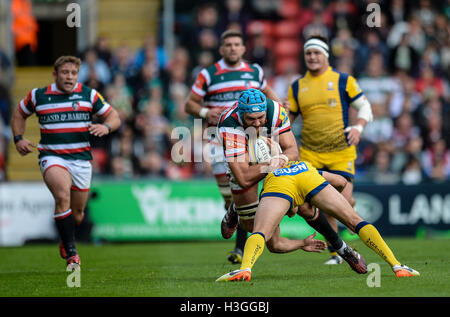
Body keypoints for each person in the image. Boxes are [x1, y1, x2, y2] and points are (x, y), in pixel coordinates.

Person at [216, 160, 420, 282]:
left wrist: (299, 242)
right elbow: (341, 181)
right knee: (355, 220)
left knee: (260, 232)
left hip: (278, 181)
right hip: (306, 173)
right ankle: (397, 266)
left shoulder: (268, 178)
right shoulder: (304, 166)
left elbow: (275, 245)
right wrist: (339, 202)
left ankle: (244, 269)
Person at [11, 56, 121, 270]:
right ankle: (72, 252)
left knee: (78, 214)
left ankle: (65, 237)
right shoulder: (38, 95)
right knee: (62, 195)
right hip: (52, 156)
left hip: (81, 160)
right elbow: (19, 114)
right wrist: (18, 139)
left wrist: (106, 127)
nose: (69, 77)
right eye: (65, 72)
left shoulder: (88, 94)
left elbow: (114, 116)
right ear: (55, 74)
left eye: (73, 73)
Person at [185, 29, 281, 264]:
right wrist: (207, 111)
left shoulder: (255, 71)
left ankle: (239, 249)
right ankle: (232, 214)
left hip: (251, 138)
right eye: (228, 44)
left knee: (246, 189)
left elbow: (270, 97)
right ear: (221, 49)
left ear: (243, 48)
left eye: (237, 44)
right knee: (230, 198)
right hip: (219, 140)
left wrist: (280, 109)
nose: (232, 48)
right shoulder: (208, 74)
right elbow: (190, 105)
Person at [287, 35, 373, 265]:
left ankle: (348, 208)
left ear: (325, 56)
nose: (312, 57)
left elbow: (364, 106)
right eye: (308, 53)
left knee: (338, 204)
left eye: (317, 53)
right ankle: (336, 253)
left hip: (340, 153)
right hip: (310, 154)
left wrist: (358, 127)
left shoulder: (343, 80)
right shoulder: (297, 86)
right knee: (316, 205)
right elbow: (288, 120)